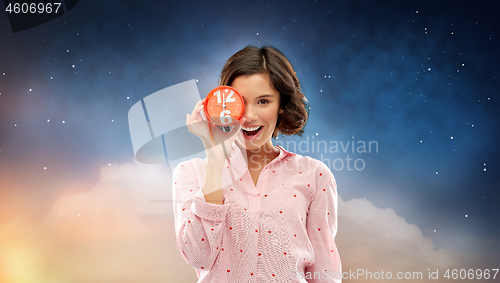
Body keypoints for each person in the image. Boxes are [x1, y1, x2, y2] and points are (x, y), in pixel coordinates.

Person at [173, 45, 341, 282]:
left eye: (263, 101)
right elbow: (198, 256)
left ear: (281, 105)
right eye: (240, 101)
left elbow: (324, 271)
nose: (249, 116)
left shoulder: (314, 175)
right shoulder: (191, 173)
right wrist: (215, 160)